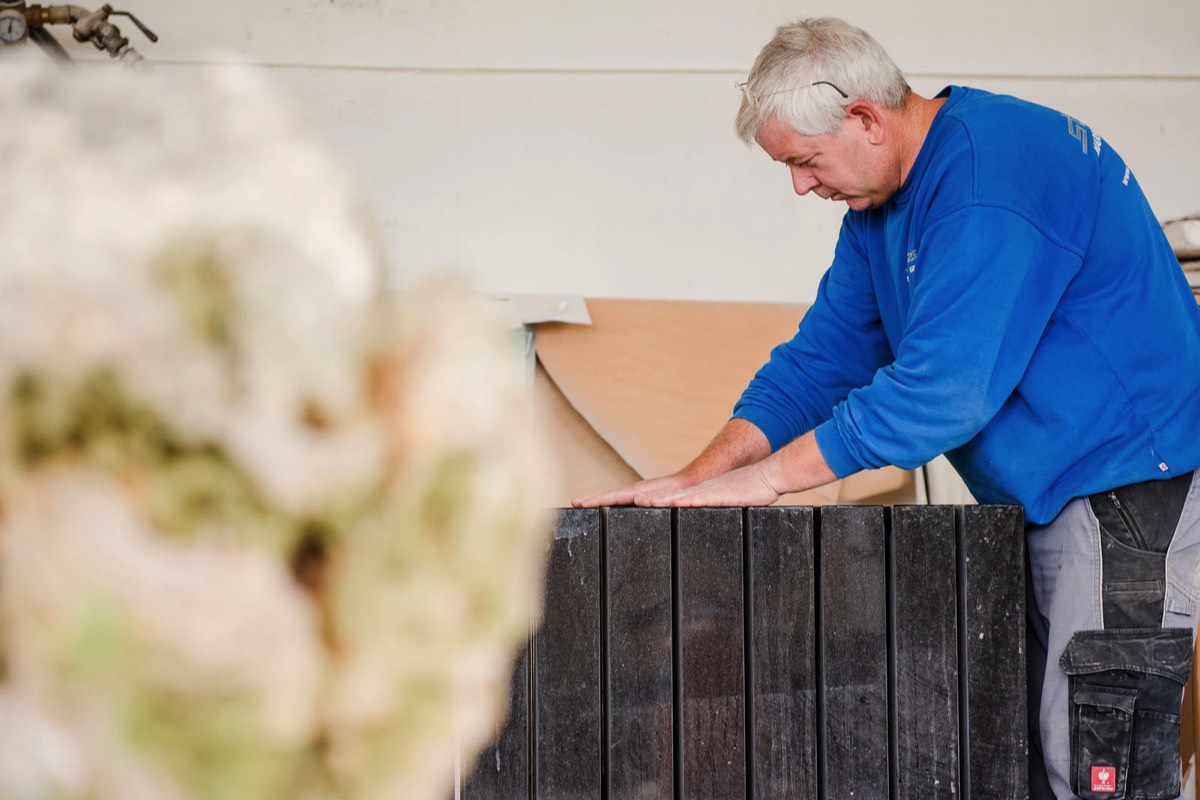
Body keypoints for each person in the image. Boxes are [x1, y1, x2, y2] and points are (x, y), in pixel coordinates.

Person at [574, 16, 1200, 800]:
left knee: (1100, 770)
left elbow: (944, 394)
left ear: (867, 118)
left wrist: (769, 481)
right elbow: (818, 362)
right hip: (1049, 497)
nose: (800, 185)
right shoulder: (881, 212)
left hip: (1125, 489)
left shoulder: (985, 177)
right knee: (1044, 764)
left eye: (804, 161)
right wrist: (699, 478)